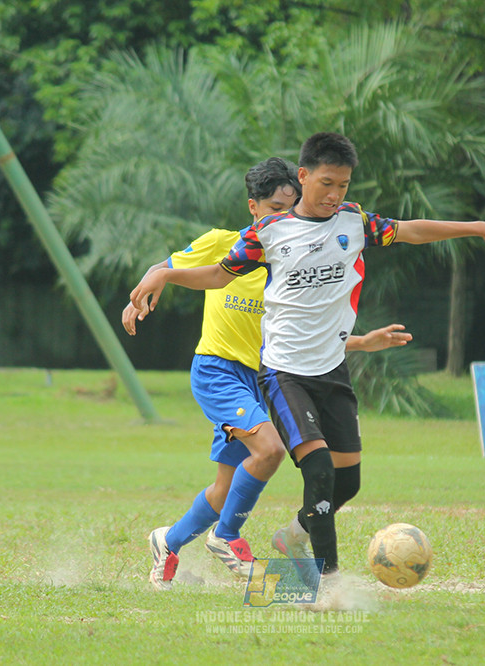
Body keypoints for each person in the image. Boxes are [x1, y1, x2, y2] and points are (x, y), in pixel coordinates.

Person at [130, 132, 485, 578]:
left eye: (343, 186)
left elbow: (408, 233)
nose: (334, 195)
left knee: (313, 482)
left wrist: (478, 228)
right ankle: (304, 575)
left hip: (317, 371)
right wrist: (164, 276)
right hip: (258, 374)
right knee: (303, 465)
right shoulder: (261, 238)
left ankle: (192, 540)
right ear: (302, 177)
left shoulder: (352, 224)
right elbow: (210, 274)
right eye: (326, 183)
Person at [124, 157, 412, 590]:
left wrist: (362, 341)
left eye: (291, 206)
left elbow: (302, 336)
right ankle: (227, 537)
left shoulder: (292, 257)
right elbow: (162, 268)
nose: (287, 216)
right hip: (218, 371)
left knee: (226, 487)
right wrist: (141, 295)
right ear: (253, 207)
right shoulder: (224, 245)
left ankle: (169, 540)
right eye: (276, 208)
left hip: (264, 377)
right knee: (272, 449)